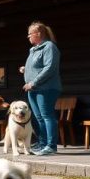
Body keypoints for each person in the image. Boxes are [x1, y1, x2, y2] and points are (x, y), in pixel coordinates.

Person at [20, 21, 61, 155]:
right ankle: (43, 143)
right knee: (38, 117)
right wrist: (26, 70)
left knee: (47, 116)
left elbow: (49, 68)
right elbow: (37, 67)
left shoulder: (49, 47)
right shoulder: (33, 50)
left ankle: (51, 146)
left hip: (46, 89)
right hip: (33, 89)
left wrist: (33, 82)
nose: (28, 37)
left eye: (30, 34)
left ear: (38, 34)